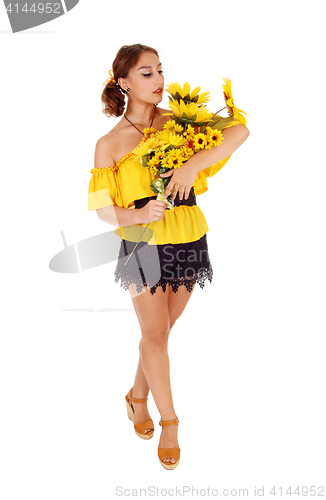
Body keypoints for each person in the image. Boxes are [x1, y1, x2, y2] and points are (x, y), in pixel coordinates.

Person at [88, 43, 250, 470]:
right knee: (156, 337)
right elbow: (104, 209)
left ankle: (136, 395)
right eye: (146, 73)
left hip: (187, 234)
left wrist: (193, 164)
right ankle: (170, 422)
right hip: (142, 241)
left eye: (160, 70)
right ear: (123, 82)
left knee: (162, 329)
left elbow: (239, 131)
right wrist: (139, 211)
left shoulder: (179, 122)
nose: (158, 80)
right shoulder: (110, 143)